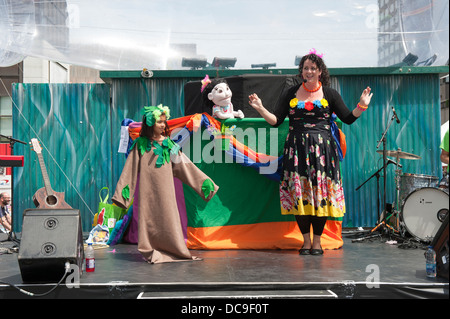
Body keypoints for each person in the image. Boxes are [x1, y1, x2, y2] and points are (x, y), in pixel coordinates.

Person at [248, 49, 373, 255]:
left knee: (320, 195)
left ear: (320, 71)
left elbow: (348, 118)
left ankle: (317, 242)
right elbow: (275, 121)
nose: (309, 71)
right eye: (305, 68)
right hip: (296, 150)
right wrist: (261, 108)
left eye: (313, 68)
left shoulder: (331, 94)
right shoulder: (290, 93)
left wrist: (362, 105)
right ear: (302, 71)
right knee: (300, 194)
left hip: (323, 152)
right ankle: (305, 241)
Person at [112, 105, 219, 263]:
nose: (162, 125)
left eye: (164, 122)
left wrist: (204, 183)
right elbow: (130, 170)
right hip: (147, 192)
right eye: (159, 122)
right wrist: (122, 196)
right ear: (150, 123)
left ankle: (172, 249)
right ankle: (151, 249)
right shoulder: (140, 145)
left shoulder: (168, 144)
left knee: (168, 218)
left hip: (166, 191)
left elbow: (185, 165)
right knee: (148, 219)